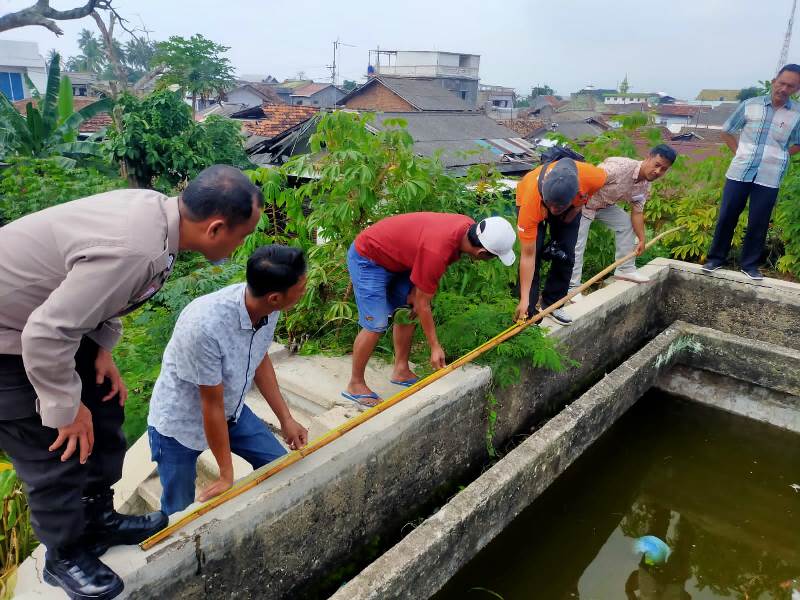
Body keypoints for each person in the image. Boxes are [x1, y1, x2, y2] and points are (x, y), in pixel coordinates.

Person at [0, 165, 263, 600]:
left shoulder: (162, 222)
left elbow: (103, 296)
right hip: (12, 337)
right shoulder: (136, 248)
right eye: (240, 236)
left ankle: (98, 517)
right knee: (53, 446)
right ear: (216, 228)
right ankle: (63, 557)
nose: (239, 248)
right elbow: (45, 334)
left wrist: (102, 349)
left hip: (51, 322)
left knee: (104, 409)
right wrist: (65, 410)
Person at [147, 245, 309, 515]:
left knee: (278, 465)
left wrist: (286, 419)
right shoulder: (204, 327)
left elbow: (260, 358)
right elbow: (211, 405)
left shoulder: (268, 308)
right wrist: (225, 473)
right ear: (274, 297)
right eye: (301, 288)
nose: (304, 291)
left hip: (231, 410)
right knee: (180, 513)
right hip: (180, 425)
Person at [343, 212, 517, 406]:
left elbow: (421, 284)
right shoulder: (438, 249)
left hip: (398, 259)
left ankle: (401, 371)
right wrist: (435, 346)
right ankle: (355, 384)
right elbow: (423, 302)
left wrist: (416, 293)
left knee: (408, 310)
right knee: (376, 324)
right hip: (369, 257)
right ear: (481, 253)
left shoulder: (466, 227)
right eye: (493, 257)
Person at [702, 64, 800, 280]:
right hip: (740, 171)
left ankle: (750, 266)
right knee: (727, 215)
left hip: (770, 175)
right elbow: (727, 130)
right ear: (774, 80)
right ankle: (715, 259)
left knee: (759, 220)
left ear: (797, 89)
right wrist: (739, 152)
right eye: (781, 83)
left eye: (790, 86)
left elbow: (799, 143)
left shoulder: (797, 114)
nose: (784, 89)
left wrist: (782, 154)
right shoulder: (750, 105)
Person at [569, 145, 676, 298]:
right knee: (578, 244)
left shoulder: (645, 185)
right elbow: (587, 178)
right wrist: (573, 207)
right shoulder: (620, 167)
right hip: (582, 204)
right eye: (657, 165)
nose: (658, 171)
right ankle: (572, 288)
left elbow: (637, 212)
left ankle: (625, 269)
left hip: (603, 205)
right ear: (648, 158)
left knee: (626, 224)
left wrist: (642, 239)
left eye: (663, 169)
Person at [515, 158, 607, 325]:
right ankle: (527, 308)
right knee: (533, 253)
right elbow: (527, 256)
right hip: (532, 200)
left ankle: (553, 303)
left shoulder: (595, 177)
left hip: (572, 204)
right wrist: (524, 300)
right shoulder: (532, 203)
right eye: (550, 207)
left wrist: (579, 206)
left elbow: (592, 193)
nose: (553, 211)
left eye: (558, 208)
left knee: (566, 254)